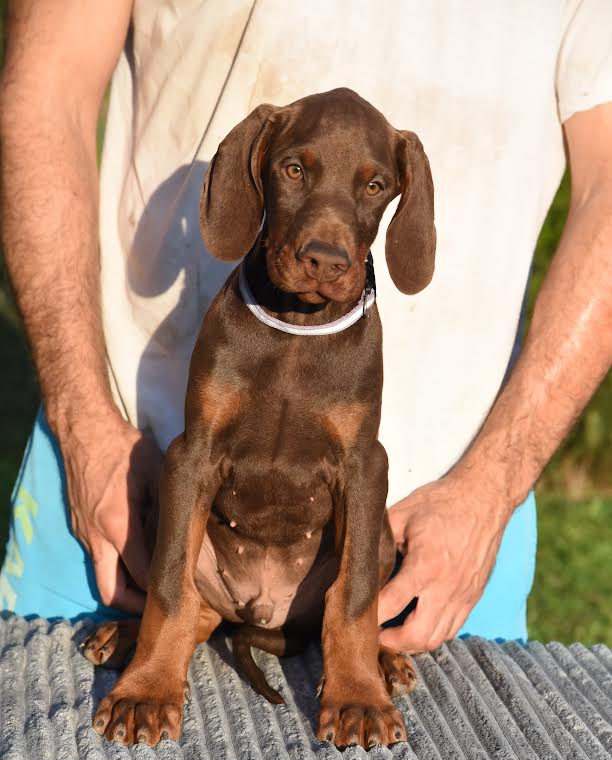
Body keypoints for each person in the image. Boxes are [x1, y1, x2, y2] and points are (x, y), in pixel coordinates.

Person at [1, 0, 611, 652]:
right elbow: (47, 90)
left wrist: (491, 489)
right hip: (125, 484)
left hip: (440, 534)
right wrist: (87, 429)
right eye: (295, 170)